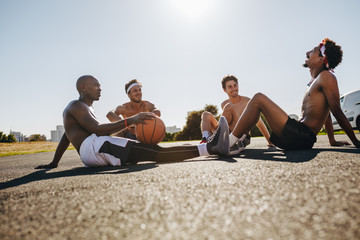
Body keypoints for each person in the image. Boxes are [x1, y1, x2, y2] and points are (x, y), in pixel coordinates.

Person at [35, 75, 230, 169]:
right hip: (95, 147)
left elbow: (66, 137)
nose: (100, 89)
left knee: (154, 150)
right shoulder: (76, 106)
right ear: (83, 87)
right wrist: (131, 121)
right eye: (96, 85)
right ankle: (211, 148)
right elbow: (98, 130)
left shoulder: (82, 108)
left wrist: (54, 162)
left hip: (94, 149)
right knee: (155, 154)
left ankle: (208, 147)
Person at [228, 38, 360, 150]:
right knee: (254, 110)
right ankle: (238, 141)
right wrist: (332, 141)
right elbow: (326, 115)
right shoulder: (317, 81)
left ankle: (227, 142)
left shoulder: (326, 76)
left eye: (313, 51)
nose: (307, 52)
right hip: (298, 135)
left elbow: (336, 109)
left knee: (258, 99)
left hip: (301, 135)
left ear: (321, 59)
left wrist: (356, 142)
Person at [200, 75, 274, 154]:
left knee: (229, 107)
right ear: (225, 90)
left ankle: (218, 139)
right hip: (225, 133)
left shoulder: (248, 101)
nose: (234, 89)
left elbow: (259, 122)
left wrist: (270, 142)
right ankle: (206, 139)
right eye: (230, 87)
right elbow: (225, 121)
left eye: (235, 85)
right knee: (206, 114)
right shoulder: (224, 104)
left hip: (241, 136)